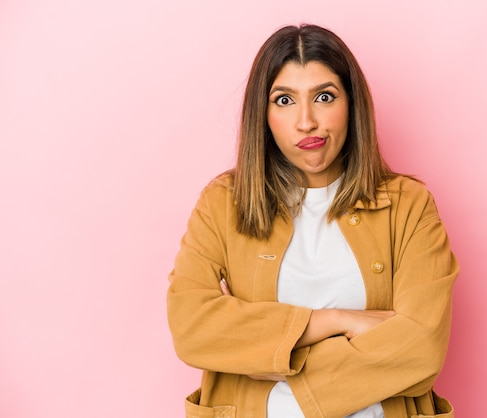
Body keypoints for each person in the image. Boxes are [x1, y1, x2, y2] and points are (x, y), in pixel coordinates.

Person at [167, 23, 459, 418]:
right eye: (284, 100)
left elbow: (422, 347)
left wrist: (274, 356)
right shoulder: (223, 203)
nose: (306, 121)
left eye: (324, 97)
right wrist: (333, 321)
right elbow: (191, 327)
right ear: (263, 114)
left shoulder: (409, 206)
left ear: (352, 104)